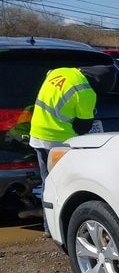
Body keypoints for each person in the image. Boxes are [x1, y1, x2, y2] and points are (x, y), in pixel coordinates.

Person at [28, 66, 97, 231]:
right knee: (67, 184)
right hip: (60, 142)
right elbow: (83, 127)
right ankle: (65, 228)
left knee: (47, 182)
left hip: (38, 133)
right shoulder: (87, 93)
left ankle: (48, 228)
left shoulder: (60, 72)